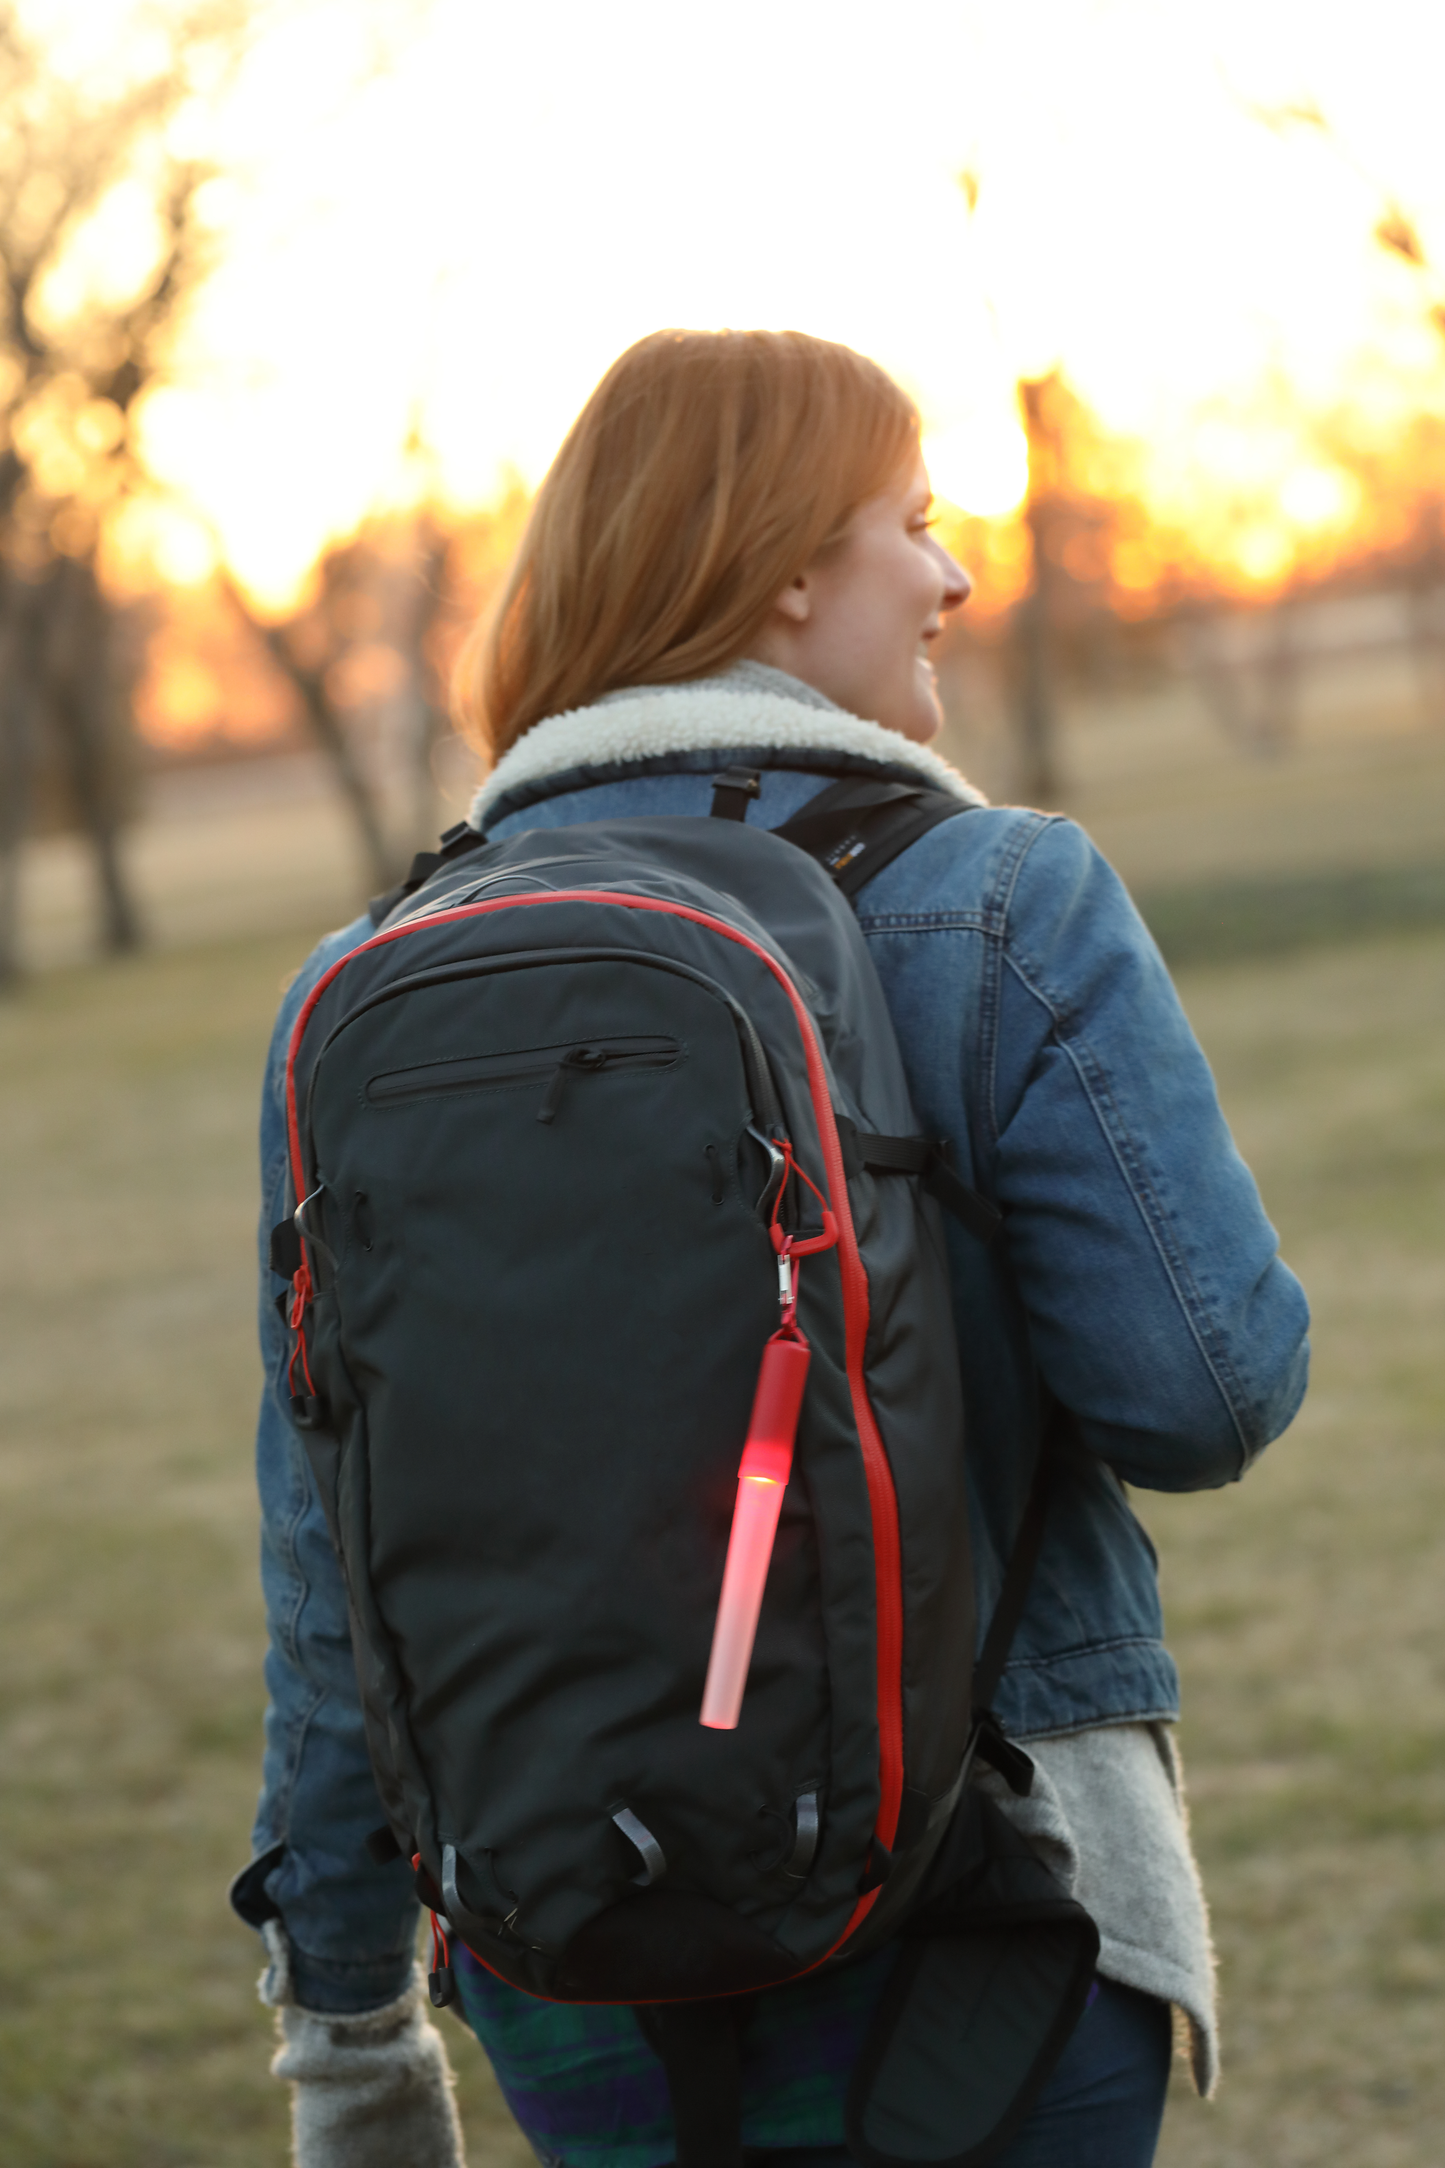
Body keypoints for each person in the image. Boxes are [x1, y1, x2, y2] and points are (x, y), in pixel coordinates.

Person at [234, 329, 1309, 2168]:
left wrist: (349, 2029)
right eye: (920, 520)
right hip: (989, 1915)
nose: (957, 574)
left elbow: (331, 1577)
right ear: (789, 566)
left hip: (566, 1951)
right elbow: (1200, 1394)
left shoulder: (361, 986)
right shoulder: (999, 899)